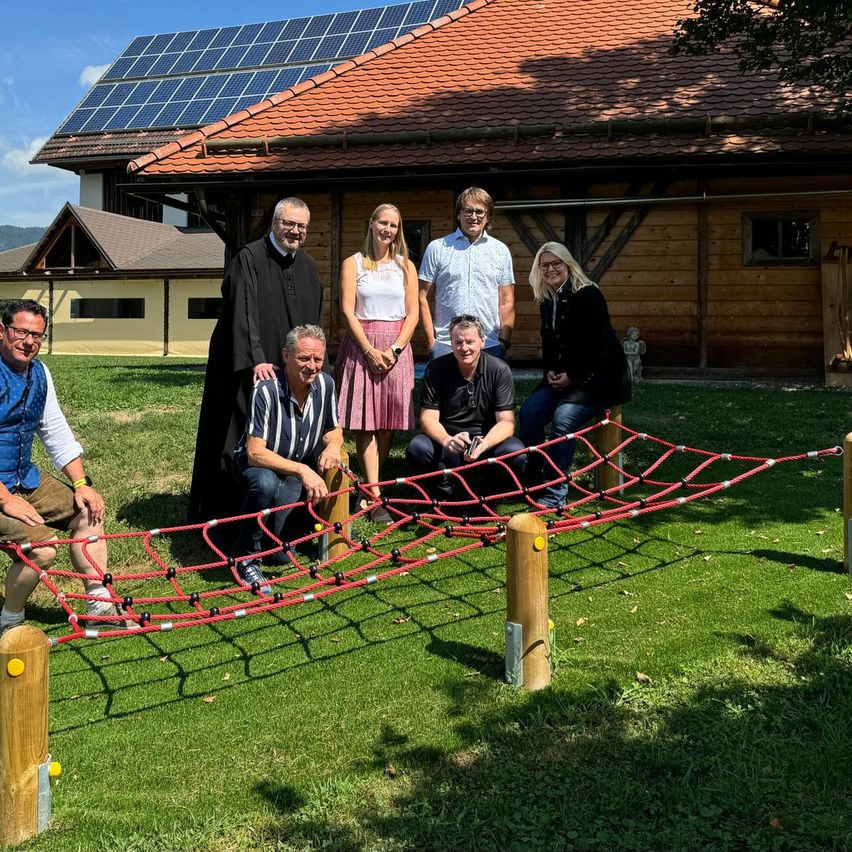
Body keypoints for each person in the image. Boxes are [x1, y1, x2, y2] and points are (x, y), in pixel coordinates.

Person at [188, 197, 323, 523]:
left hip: (292, 372)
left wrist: (316, 366)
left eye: (301, 226)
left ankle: (288, 514)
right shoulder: (248, 258)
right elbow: (242, 312)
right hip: (248, 371)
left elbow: (315, 324)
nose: (295, 231)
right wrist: (256, 360)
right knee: (241, 440)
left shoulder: (308, 268)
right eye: (288, 223)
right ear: (275, 223)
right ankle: (232, 515)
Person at [0, 300, 127, 635]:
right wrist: (5, 500)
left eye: (37, 336)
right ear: (2, 331)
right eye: (21, 332)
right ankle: (9, 620)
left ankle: (99, 606)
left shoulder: (40, 373)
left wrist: (82, 483)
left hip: (23, 477)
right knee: (41, 550)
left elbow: (55, 430)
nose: (29, 341)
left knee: (89, 512)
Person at [519, 243, 631, 508]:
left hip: (600, 378)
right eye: (544, 265)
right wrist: (551, 373)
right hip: (566, 376)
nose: (551, 269)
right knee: (529, 412)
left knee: (562, 420)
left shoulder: (588, 294)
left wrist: (572, 376)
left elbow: (598, 346)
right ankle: (534, 480)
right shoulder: (548, 299)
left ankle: (555, 491)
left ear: (568, 264)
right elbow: (549, 342)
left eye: (556, 263)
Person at [233, 325, 343, 591]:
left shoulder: (326, 384)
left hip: (292, 468)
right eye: (304, 358)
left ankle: (287, 538)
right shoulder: (266, 390)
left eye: (318, 358)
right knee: (266, 484)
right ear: (286, 356)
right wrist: (304, 471)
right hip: (257, 465)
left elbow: (334, 428)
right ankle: (246, 559)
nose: (312, 366)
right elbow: (255, 452)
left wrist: (333, 446)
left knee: (283, 557)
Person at [333, 203, 418, 523]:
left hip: (397, 347)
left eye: (394, 225)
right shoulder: (352, 264)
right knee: (366, 422)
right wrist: (369, 349)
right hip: (361, 344)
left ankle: (371, 486)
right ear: (371, 224)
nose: (388, 229)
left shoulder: (406, 266)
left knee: (387, 422)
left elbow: (413, 314)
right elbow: (347, 310)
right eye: (383, 223)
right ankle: (374, 496)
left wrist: (395, 349)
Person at [405, 315, 525, 498]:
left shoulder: (499, 370)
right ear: (451, 344)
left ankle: (492, 489)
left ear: (482, 342)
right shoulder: (436, 368)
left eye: (470, 342)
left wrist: (484, 444)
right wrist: (447, 440)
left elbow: (507, 422)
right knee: (418, 448)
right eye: (458, 342)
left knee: (516, 451)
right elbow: (427, 418)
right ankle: (440, 487)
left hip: (485, 443)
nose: (464, 348)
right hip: (448, 442)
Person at [418, 187, 515, 359]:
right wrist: (431, 341)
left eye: (480, 211)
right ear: (458, 214)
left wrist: (503, 342)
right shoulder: (437, 248)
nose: (474, 216)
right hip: (446, 345)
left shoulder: (500, 251)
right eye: (468, 210)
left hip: (489, 344)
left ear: (488, 217)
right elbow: (422, 297)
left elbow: (506, 301)